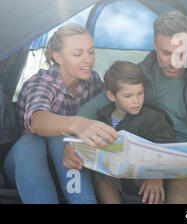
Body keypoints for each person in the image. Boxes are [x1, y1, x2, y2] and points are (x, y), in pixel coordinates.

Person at [63, 11, 187, 203]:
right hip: (167, 161)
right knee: (181, 187)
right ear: (155, 44)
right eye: (166, 53)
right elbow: (92, 109)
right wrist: (73, 139)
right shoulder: (139, 76)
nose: (174, 61)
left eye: (181, 53)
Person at [2, 23, 118, 204]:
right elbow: (37, 121)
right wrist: (78, 124)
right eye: (78, 54)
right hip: (26, 167)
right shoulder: (41, 84)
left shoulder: (93, 81)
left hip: (69, 167)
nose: (87, 60)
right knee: (32, 142)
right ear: (58, 58)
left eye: (91, 51)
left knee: (64, 141)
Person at [94, 60, 175, 204]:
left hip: (146, 177)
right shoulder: (103, 116)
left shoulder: (154, 116)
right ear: (111, 96)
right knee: (101, 174)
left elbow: (166, 146)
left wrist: (155, 176)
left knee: (155, 187)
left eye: (140, 93)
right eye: (128, 96)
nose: (136, 101)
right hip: (117, 176)